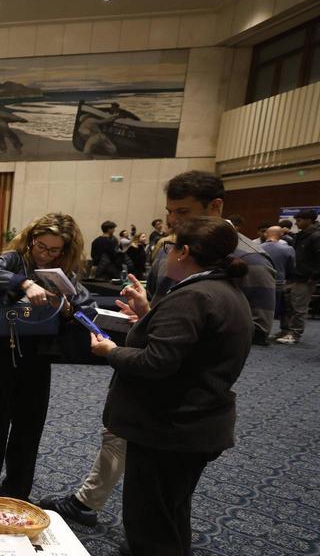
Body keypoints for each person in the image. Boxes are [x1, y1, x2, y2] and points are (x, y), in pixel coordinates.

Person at [41, 171, 277, 527]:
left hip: (182, 395)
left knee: (164, 495)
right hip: (145, 371)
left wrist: (171, 336)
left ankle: (146, 537)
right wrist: (147, 314)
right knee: (122, 443)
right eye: (170, 212)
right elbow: (167, 313)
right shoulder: (173, 248)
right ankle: (92, 504)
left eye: (183, 212)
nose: (172, 221)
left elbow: (251, 328)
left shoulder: (251, 259)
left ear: (215, 207)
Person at [89, 217, 252, 556]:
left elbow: (156, 363)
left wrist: (111, 350)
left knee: (150, 523)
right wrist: (147, 315)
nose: (165, 254)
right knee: (170, 518)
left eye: (170, 247)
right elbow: (187, 349)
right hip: (195, 425)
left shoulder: (194, 296)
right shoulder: (222, 290)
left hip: (170, 427)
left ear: (184, 253)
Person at [0, 213, 93, 500]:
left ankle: (17, 496)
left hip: (38, 358)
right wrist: (24, 284)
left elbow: (86, 308)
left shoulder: (64, 272)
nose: (46, 254)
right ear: (31, 240)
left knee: (28, 432)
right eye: (41, 246)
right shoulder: (15, 259)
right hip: (1, 354)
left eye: (54, 250)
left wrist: (66, 307)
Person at [279, 208, 319, 345]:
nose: (296, 223)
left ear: (309, 220)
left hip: (306, 278)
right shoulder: (302, 235)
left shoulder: (316, 236)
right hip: (294, 275)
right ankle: (285, 331)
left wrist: (313, 275)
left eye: (299, 220)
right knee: (288, 305)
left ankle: (294, 333)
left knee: (299, 307)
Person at [261, 226, 295, 339]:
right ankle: (284, 331)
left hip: (261, 281)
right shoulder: (288, 249)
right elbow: (291, 268)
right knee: (284, 309)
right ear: (281, 235)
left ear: (266, 234)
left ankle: (261, 332)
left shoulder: (257, 247)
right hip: (280, 282)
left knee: (261, 308)